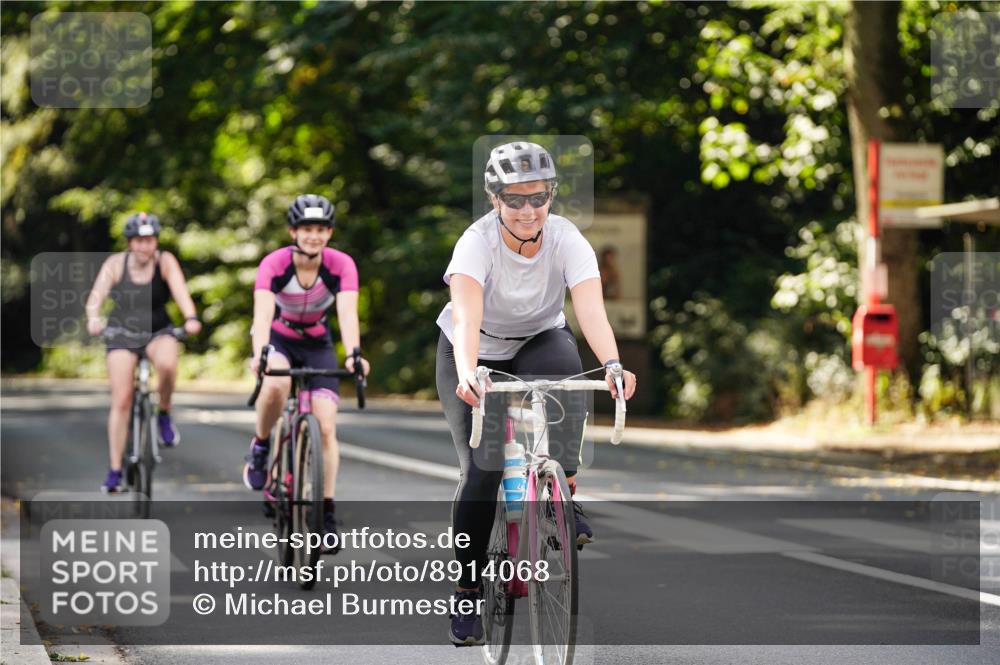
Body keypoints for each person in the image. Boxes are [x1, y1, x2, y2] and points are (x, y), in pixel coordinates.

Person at [435, 141, 637, 645]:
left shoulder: (566, 239)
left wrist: (612, 363)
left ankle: (563, 486)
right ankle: (466, 590)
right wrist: (467, 372)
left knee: (568, 372)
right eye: (515, 199)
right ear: (495, 199)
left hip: (539, 338)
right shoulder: (475, 243)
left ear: (551, 196)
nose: (528, 210)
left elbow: (590, 310)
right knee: (481, 470)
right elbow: (466, 318)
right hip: (474, 348)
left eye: (539, 197)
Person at [244, 194, 370, 545]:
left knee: (326, 426)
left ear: (329, 233)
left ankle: (326, 510)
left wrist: (354, 355)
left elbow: (347, 314)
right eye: (306, 229)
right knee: (274, 386)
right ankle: (261, 446)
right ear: (293, 232)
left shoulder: (341, 265)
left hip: (318, 344)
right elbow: (262, 315)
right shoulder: (274, 264)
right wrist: (261, 354)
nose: (313, 236)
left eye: (320, 229)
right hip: (279, 340)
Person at [86, 212, 202, 493]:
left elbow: (181, 292)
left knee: (168, 366)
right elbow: (96, 297)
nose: (144, 246)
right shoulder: (115, 264)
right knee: (122, 400)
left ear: (156, 241)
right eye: (139, 241)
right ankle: (115, 471)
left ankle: (163, 413)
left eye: (149, 240)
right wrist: (93, 318)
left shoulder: (165, 262)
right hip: (121, 332)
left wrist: (191, 317)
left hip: (157, 330)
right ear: (130, 243)